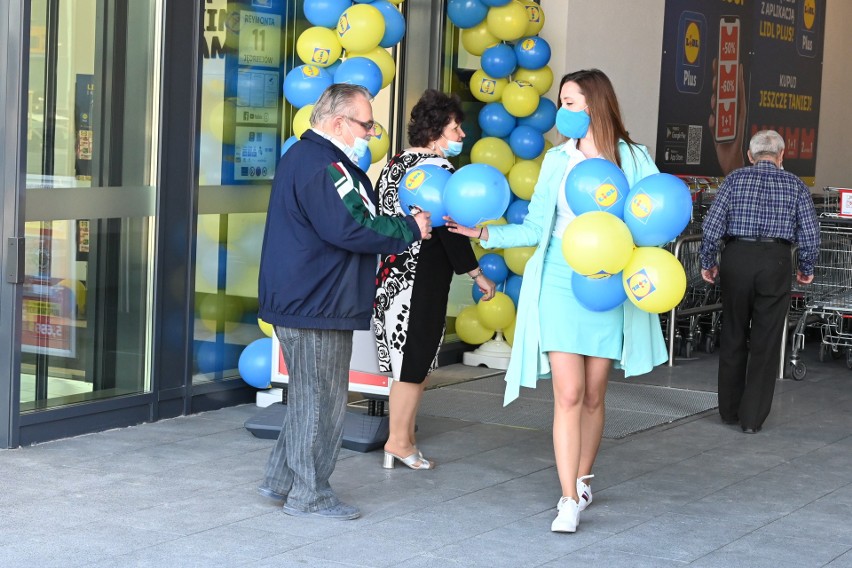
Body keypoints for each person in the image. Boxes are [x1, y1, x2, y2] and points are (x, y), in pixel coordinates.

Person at [446, 69, 667, 533]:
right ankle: (567, 497)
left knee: (593, 393)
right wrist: (484, 232)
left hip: (608, 282)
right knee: (567, 393)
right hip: (560, 281)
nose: (562, 110)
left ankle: (584, 478)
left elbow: (653, 221)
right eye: (562, 101)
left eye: (570, 102)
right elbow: (534, 227)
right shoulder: (556, 160)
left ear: (594, 105)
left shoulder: (633, 158)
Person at [256, 84, 432, 521]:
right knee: (323, 402)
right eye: (366, 124)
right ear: (338, 123)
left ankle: (282, 481)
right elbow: (353, 226)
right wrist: (410, 228)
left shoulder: (303, 157)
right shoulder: (327, 166)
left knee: (307, 398)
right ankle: (310, 495)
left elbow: (348, 221)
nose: (371, 133)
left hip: (305, 299)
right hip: (316, 303)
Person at [373, 89, 496, 471]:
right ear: (437, 130)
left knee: (406, 363)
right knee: (414, 363)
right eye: (456, 128)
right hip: (420, 280)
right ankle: (398, 442)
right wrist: (478, 274)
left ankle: (404, 438)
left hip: (391, 274)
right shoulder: (441, 173)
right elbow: (450, 230)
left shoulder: (394, 164)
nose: (461, 136)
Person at [699, 129, 819, 434]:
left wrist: (708, 262)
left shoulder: (734, 180)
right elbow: (809, 233)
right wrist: (806, 267)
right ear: (781, 157)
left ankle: (728, 411)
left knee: (734, 332)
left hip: (737, 256)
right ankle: (751, 420)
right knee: (766, 340)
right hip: (775, 260)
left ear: (750, 156)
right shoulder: (795, 185)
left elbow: (712, 224)